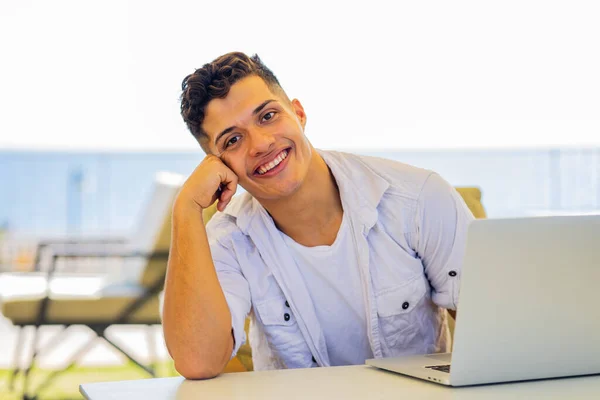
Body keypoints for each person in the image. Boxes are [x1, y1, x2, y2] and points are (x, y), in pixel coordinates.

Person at [162, 52, 474, 379]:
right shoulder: (228, 240)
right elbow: (197, 361)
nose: (261, 144)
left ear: (298, 113)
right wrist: (186, 208)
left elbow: (492, 332)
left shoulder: (418, 198)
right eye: (233, 140)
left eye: (267, 116)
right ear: (219, 165)